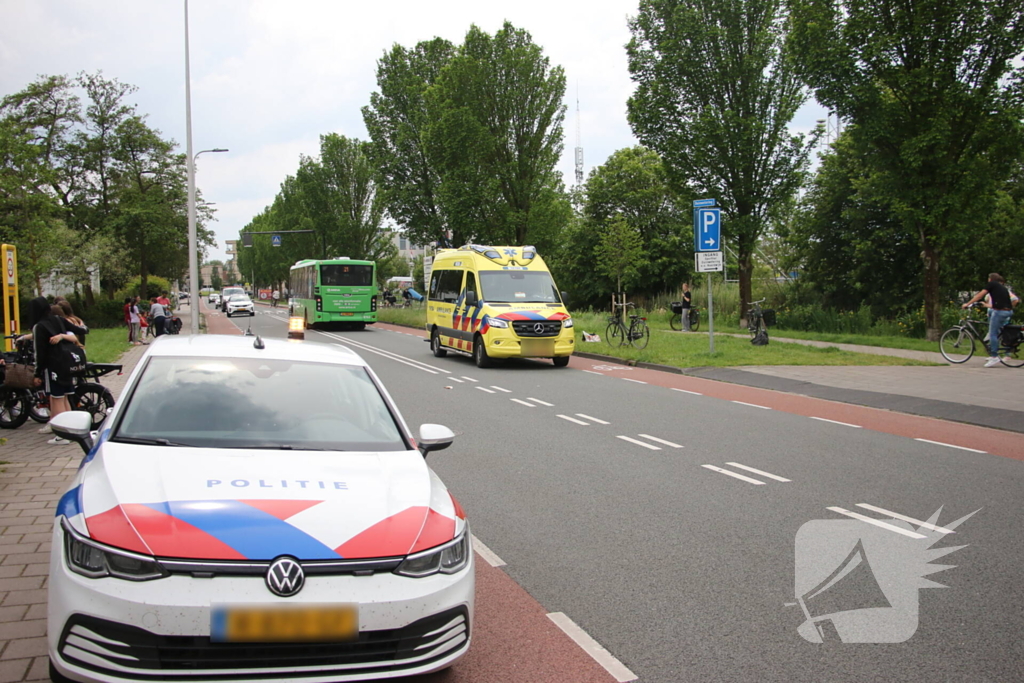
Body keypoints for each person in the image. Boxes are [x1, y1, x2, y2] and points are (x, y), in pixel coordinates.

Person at [31, 300, 82, 444]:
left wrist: (37, 373)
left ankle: (62, 434)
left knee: (57, 397)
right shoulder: (59, 320)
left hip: (52, 366)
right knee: (64, 396)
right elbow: (82, 330)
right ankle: (70, 430)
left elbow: (39, 352)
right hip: (66, 364)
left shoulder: (39, 326)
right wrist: (64, 336)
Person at [963, 273, 1015, 367]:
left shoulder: (992, 284)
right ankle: (1003, 351)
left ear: (990, 279)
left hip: (999, 312)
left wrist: (967, 304)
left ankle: (994, 356)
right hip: (1008, 312)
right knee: (999, 332)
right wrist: (987, 305)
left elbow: (979, 296)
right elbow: (1002, 303)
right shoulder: (1002, 288)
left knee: (992, 333)